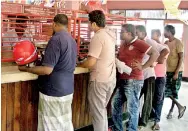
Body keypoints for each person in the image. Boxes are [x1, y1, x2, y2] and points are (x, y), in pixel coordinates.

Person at [18, 14, 77, 131]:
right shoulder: (72, 40)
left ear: (54, 24)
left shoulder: (55, 40)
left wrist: (26, 69)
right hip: (68, 90)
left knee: (50, 126)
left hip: (53, 92)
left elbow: (46, 70)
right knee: (64, 124)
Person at [111, 24, 158, 131]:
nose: (120, 33)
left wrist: (143, 66)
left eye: (122, 31)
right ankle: (118, 128)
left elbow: (155, 53)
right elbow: (119, 57)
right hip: (123, 78)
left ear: (129, 33)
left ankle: (132, 129)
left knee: (132, 107)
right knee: (115, 104)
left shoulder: (139, 43)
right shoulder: (123, 43)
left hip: (134, 80)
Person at [78, 10, 116, 131]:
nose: (89, 26)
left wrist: (79, 64)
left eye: (89, 23)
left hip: (99, 80)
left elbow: (90, 63)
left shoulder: (98, 37)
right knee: (102, 111)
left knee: (98, 114)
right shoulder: (110, 34)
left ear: (94, 24)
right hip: (110, 79)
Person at [135, 25, 169, 130]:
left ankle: (143, 122)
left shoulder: (149, 42)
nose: (135, 35)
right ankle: (137, 120)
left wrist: (154, 61)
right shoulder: (134, 43)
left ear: (143, 34)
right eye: (134, 33)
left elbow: (165, 50)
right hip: (137, 76)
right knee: (135, 99)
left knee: (148, 101)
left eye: (137, 33)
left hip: (149, 76)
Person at [164, 25, 186, 120]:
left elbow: (181, 58)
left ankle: (171, 110)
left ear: (169, 32)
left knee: (174, 91)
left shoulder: (178, 43)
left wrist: (176, 72)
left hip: (176, 71)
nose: (163, 33)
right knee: (165, 91)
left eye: (165, 31)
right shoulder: (166, 42)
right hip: (168, 71)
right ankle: (180, 106)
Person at [150, 29, 169, 130]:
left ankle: (156, 121)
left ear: (158, 35)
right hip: (150, 76)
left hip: (160, 76)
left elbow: (161, 60)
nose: (152, 37)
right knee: (150, 98)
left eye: (153, 34)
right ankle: (151, 116)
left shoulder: (164, 47)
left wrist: (152, 60)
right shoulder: (150, 47)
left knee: (158, 99)